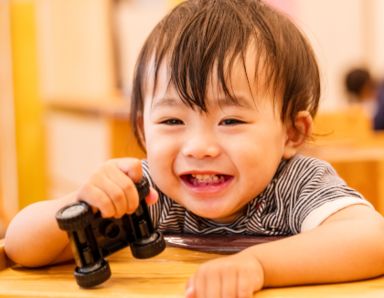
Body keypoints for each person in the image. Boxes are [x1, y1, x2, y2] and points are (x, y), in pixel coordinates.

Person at [5, 1, 384, 297]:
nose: (199, 147)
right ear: (142, 130)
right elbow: (20, 247)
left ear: (291, 133)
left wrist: (258, 266)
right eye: (172, 122)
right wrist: (81, 203)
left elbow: (372, 240)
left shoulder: (295, 184)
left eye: (231, 121)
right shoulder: (148, 193)